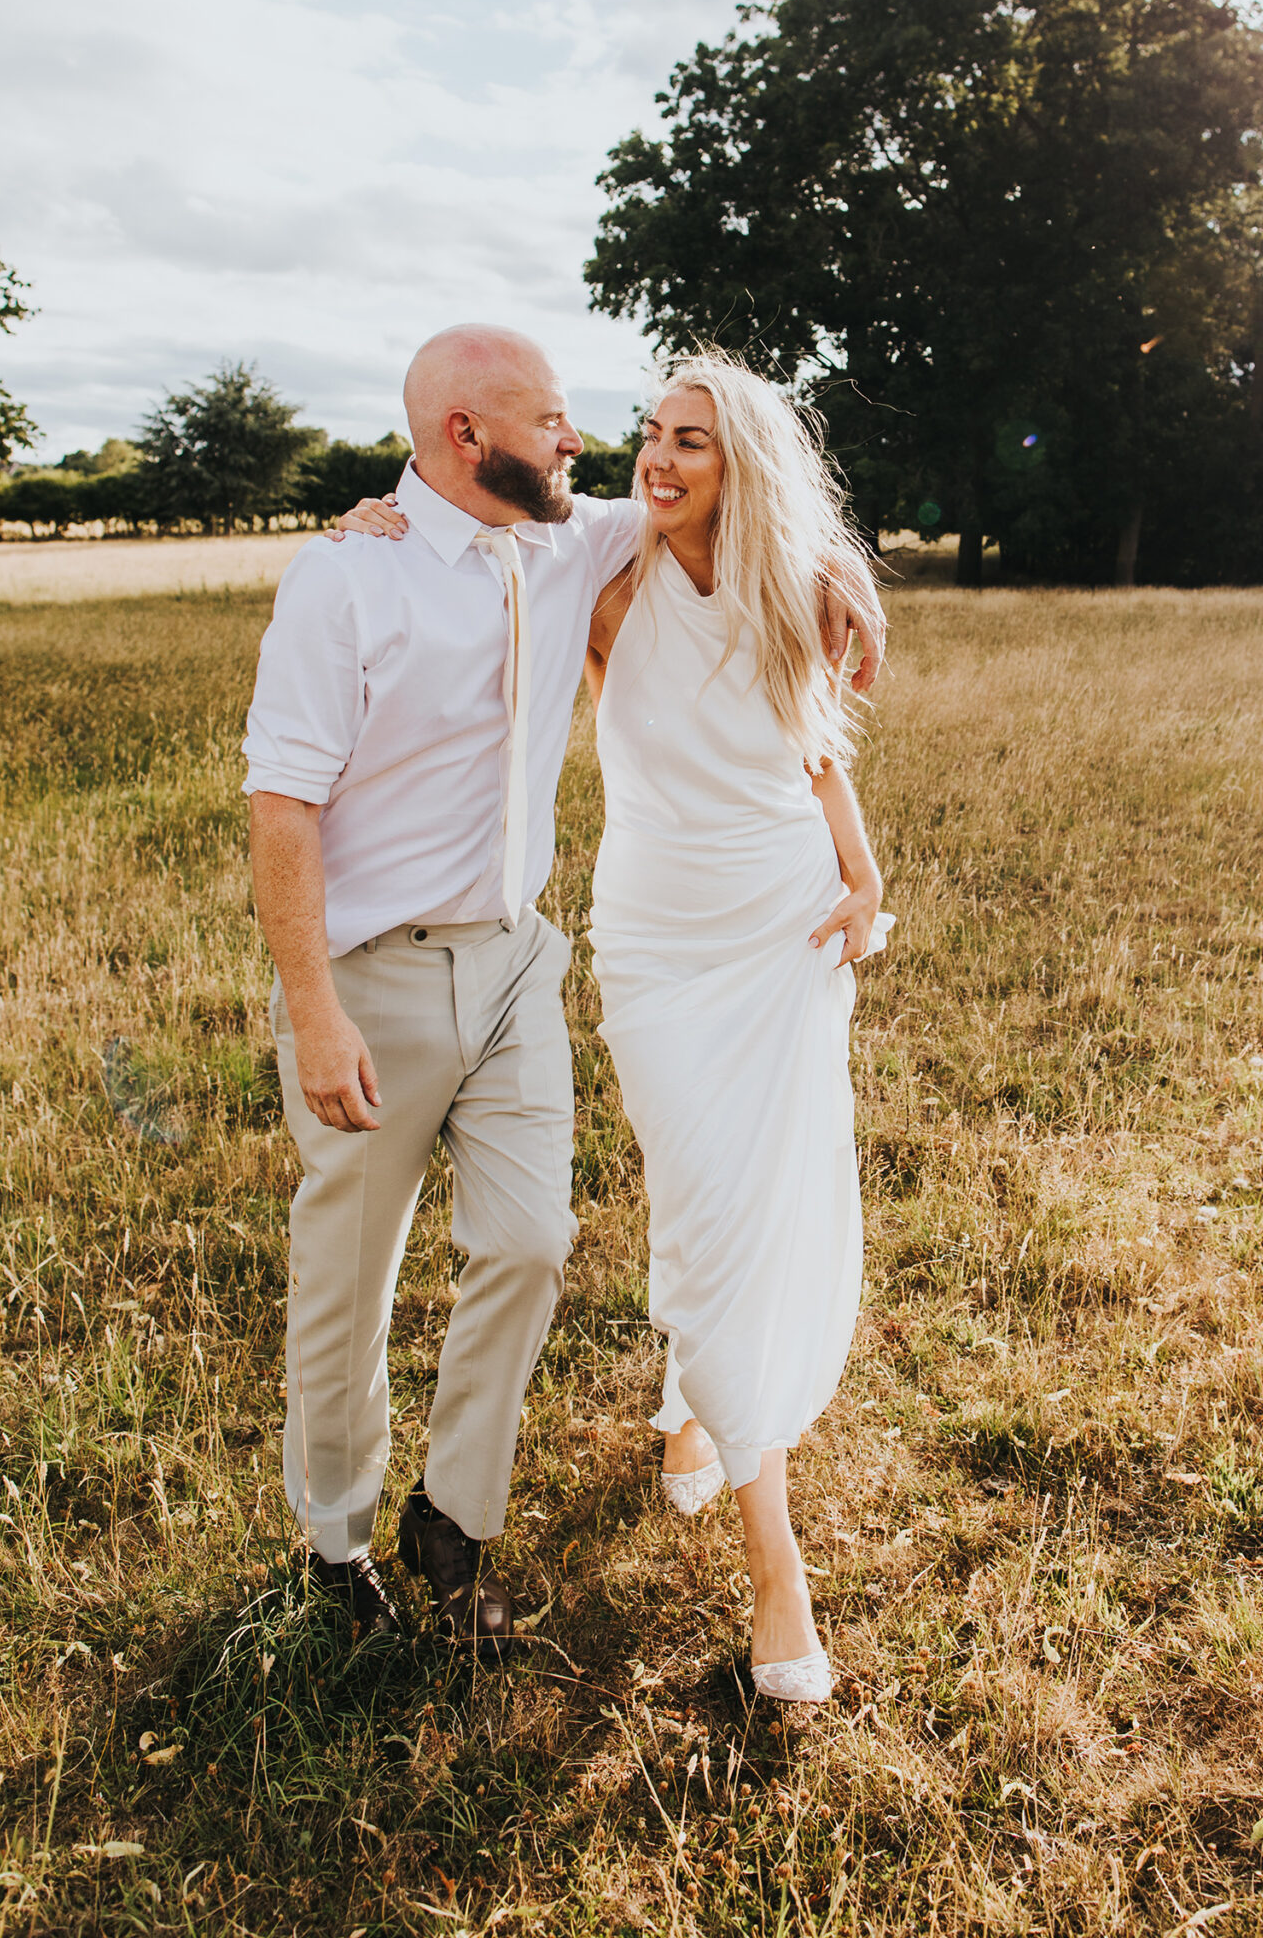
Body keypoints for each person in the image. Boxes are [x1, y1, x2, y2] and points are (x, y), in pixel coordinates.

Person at [243, 324, 883, 1657]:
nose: (584, 443)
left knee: (533, 1243)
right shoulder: (346, 578)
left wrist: (844, 579)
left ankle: (455, 1520)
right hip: (375, 979)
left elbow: (747, 521)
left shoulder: (566, 538)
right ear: (466, 436)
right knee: (350, 1275)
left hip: (517, 964)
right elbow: (283, 806)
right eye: (553, 422)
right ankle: (337, 1541)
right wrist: (315, 1010)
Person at [585, 354, 889, 1705]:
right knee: (698, 1188)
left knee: (745, 1208)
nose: (658, 458)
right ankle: (763, 1529)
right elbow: (470, 533)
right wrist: (376, 511)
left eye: (691, 440)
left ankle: (762, 1539)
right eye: (651, 433)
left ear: (743, 463)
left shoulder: (803, 594)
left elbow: (812, 743)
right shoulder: (607, 582)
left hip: (781, 929)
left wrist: (861, 870)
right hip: (655, 945)